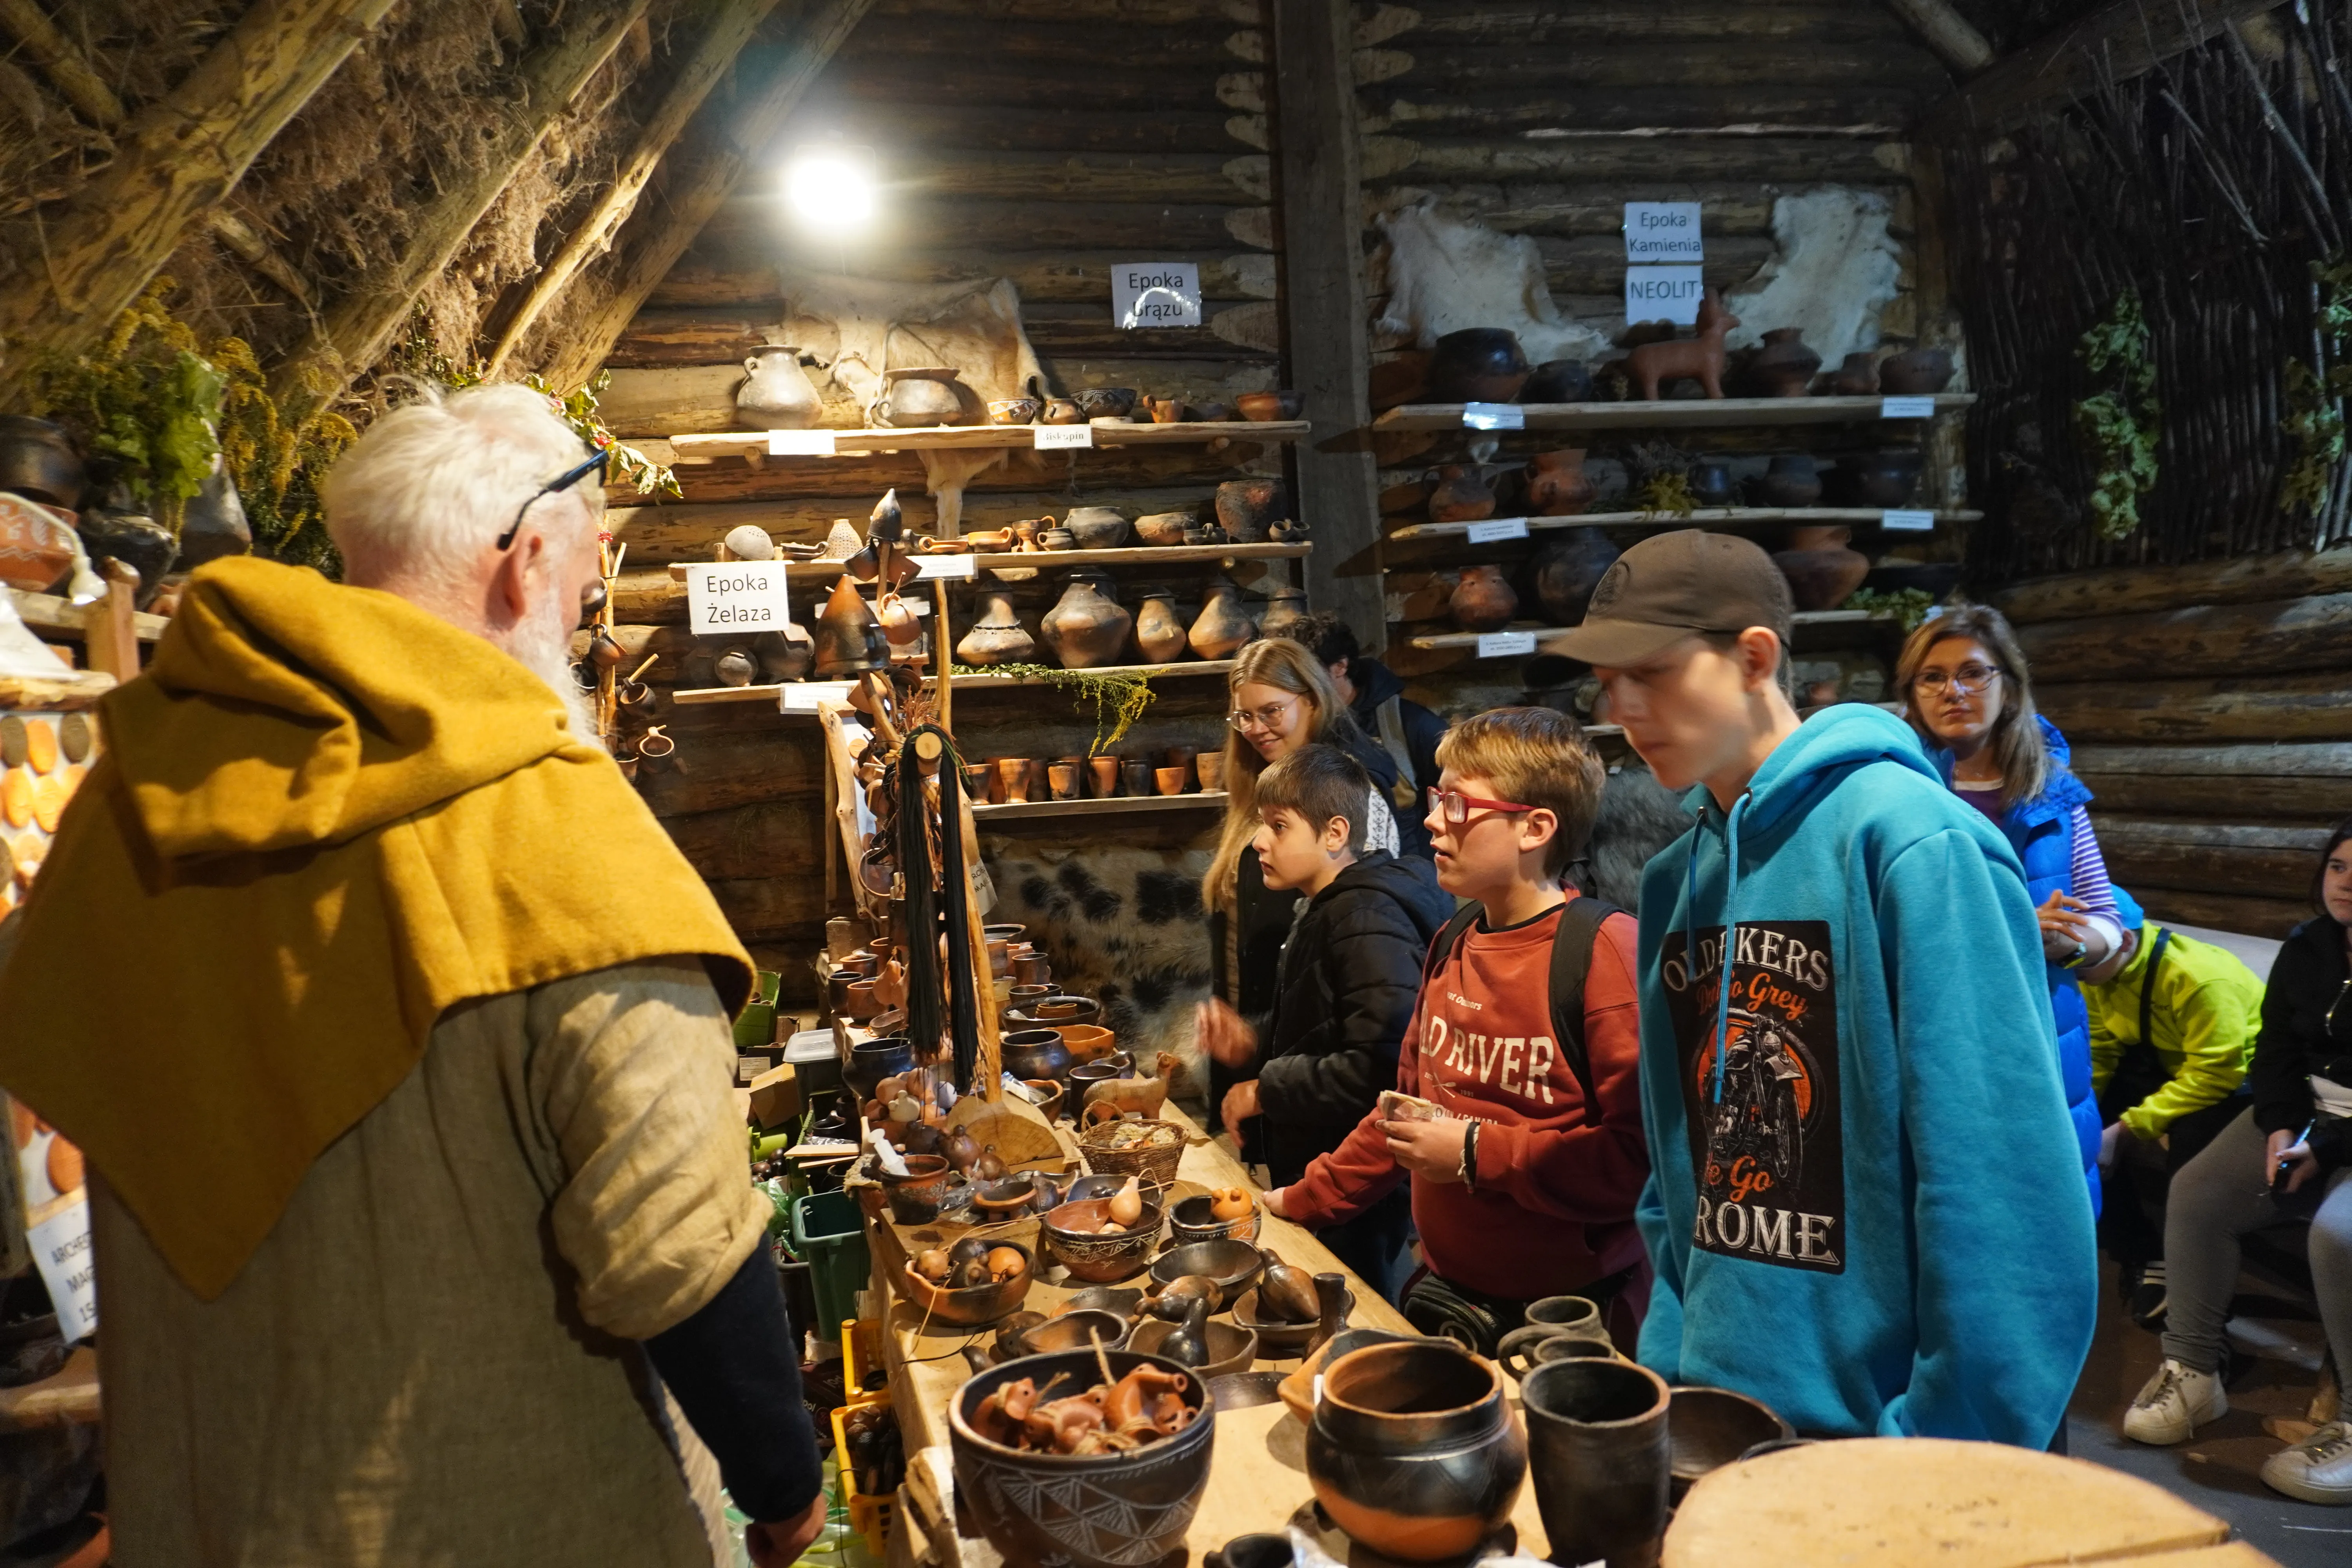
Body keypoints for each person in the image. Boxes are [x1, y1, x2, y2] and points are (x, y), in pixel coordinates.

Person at [0, 384, 826, 1565]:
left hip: (210, 1510)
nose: (578, 619)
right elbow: (676, 1243)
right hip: (501, 1518)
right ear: (527, 564)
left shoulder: (135, 802)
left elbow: (51, 1053)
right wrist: (781, 1479)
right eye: (585, 589)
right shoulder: (554, 827)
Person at [1550, 528, 2096, 1449]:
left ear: (1754, 657)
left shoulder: (1916, 841)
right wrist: (1675, 1354)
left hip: (1883, 1445)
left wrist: (1937, 1447)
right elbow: (1680, 1161)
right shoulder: (1676, 879)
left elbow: (2005, 1194)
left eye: (1652, 672)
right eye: (1609, 683)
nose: (1625, 708)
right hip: (1713, 1412)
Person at [1265, 708, 1653, 1354]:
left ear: (1535, 827)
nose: (1432, 820)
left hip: (1573, 1324)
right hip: (1454, 1301)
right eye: (1437, 798)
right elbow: (1403, 1114)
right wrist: (1298, 1201)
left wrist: (1475, 1151)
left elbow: (1640, 1161)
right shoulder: (1454, 940)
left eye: (1459, 805)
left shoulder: (1605, 954)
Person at [2122, 818, 2352, 1505]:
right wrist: (2282, 1125)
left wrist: (2325, 1148)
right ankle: (2193, 1372)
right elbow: (2275, 1049)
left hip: (2341, 1136)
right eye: (2339, 866)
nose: (2347, 884)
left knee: (2338, 1236)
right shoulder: (2310, 946)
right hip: (2307, 1117)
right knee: (2198, 1192)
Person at [1195, 744, 1450, 1303]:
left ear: (1335, 833)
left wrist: (1266, 1088)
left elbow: (1382, 1064)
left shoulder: (1364, 916)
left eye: (1278, 826)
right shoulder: (1331, 906)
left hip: (1357, 1183)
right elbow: (1326, 1023)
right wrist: (1254, 1042)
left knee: (1355, 1308)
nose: (1259, 841)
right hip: (1326, 1167)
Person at [1896, 603, 2125, 1213]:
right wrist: (2018, 927)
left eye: (1974, 673)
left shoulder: (2052, 791)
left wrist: (2075, 942)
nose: (1954, 691)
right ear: (1912, 694)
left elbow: (2106, 918)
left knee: (2048, 1208)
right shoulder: (1897, 792)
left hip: (2043, 1029)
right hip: (1936, 1034)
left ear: (2010, 686)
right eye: (1932, 677)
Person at [1202, 638, 1405, 1167]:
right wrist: (1252, 1038)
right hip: (1276, 1046)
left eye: (1271, 711)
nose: (1256, 728)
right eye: (1244, 716)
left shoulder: (1348, 787)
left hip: (1321, 1084)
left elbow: (1366, 927)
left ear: (1313, 700)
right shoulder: (1264, 781)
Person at [2083, 884, 2261, 1330]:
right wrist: (2084, 1114)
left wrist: (2127, 1129)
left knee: (2193, 1147)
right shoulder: (2101, 973)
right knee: (2083, 1131)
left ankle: (2200, 1285)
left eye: (2083, 958)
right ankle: (2142, 1255)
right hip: (2170, 1065)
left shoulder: (2199, 978)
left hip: (2241, 1080)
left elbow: (2217, 1074)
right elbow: (2101, 1050)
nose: (2077, 969)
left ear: (2124, 939)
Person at [1282, 610, 1441, 861]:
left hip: (1405, 874)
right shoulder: (1296, 727)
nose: (1299, 684)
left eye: (1307, 673)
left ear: (1340, 666)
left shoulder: (1409, 724)